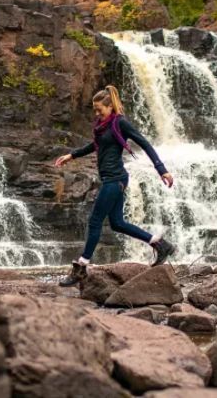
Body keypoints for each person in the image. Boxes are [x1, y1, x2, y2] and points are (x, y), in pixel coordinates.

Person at [53, 85, 176, 287]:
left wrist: (162, 169)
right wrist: (71, 155)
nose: (96, 112)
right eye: (94, 109)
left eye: (99, 108)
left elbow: (145, 143)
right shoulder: (103, 125)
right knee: (117, 223)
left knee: (94, 222)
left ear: (110, 106)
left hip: (115, 180)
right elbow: (96, 145)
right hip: (112, 179)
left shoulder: (120, 123)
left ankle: (81, 267)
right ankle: (160, 244)